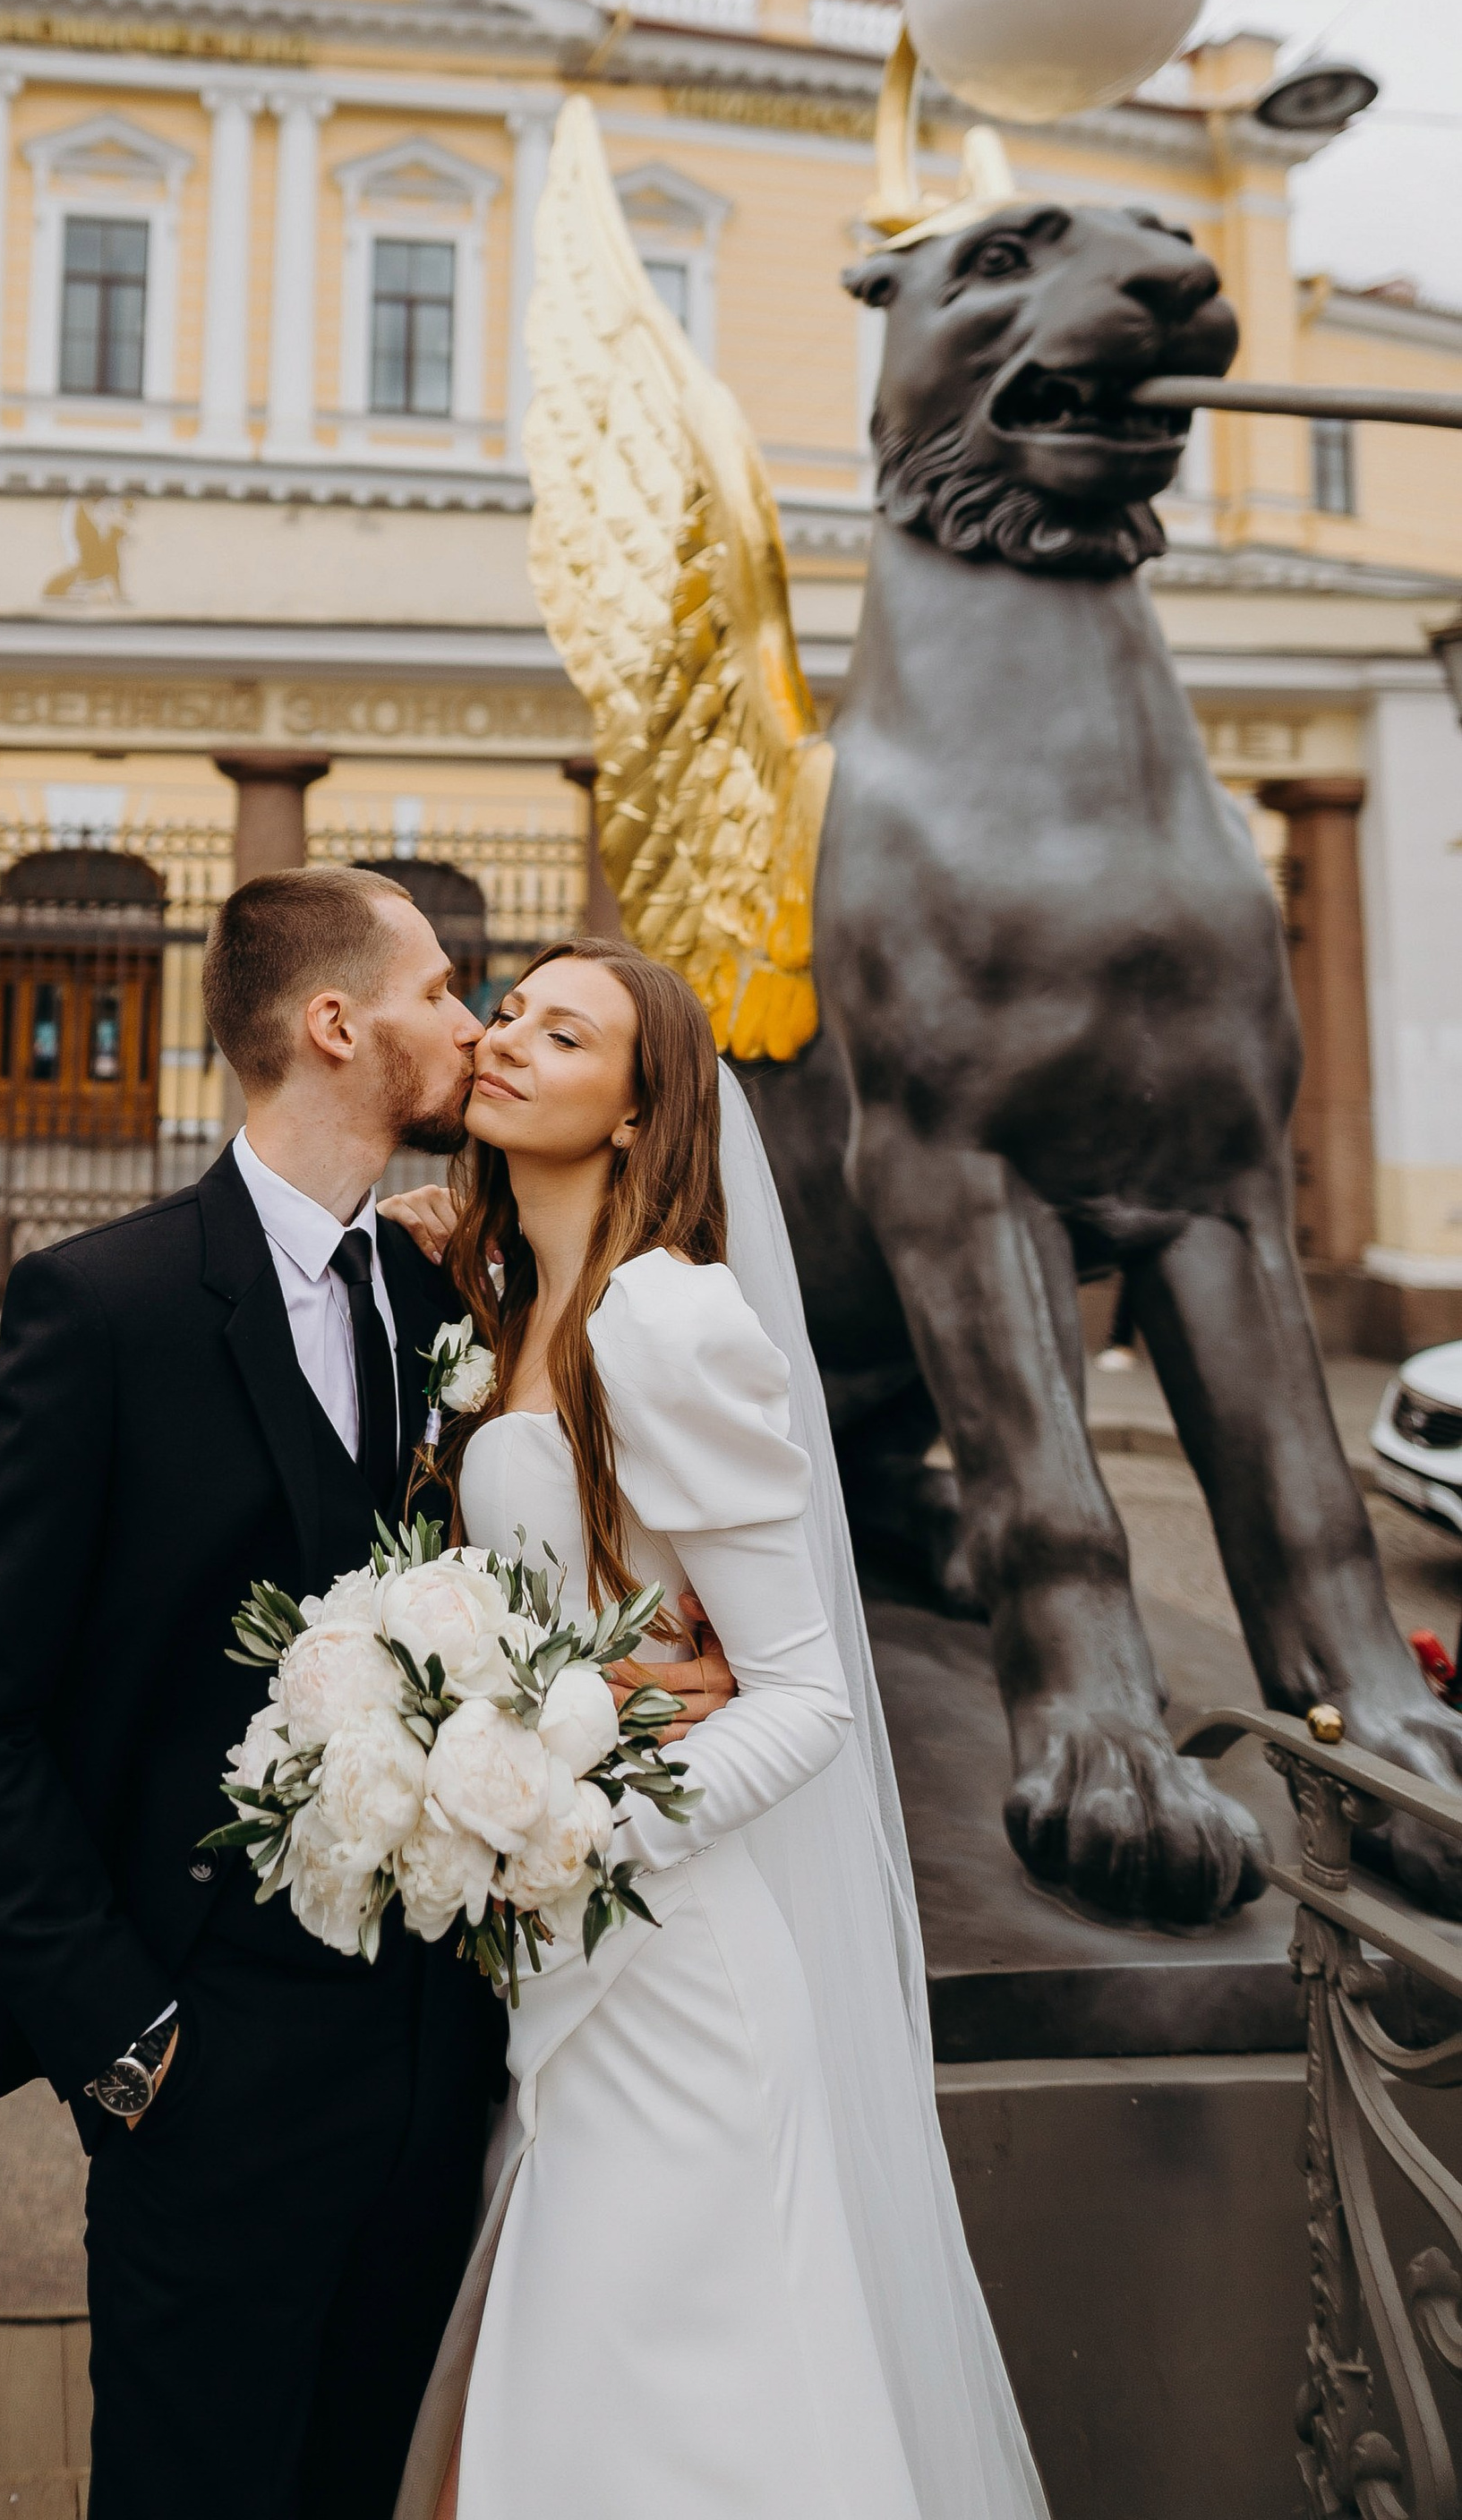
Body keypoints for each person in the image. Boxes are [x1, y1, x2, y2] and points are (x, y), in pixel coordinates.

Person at [0, 868, 739, 2520]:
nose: (475, 1026)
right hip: (203, 2063)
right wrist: (122, 2041)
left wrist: (630, 1678)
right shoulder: (107, 1307)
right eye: (445, 990)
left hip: (445, 2062)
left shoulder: (450, 1297)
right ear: (338, 1024)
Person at [376, 938, 1050, 2520]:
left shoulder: (662, 1324)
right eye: (511, 1015)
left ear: (637, 1114)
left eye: (568, 1033)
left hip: (670, 1969)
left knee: (679, 2431)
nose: (510, 1042)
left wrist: (570, 1830)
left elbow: (808, 1694)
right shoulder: (497, 1308)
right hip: (555, 1971)